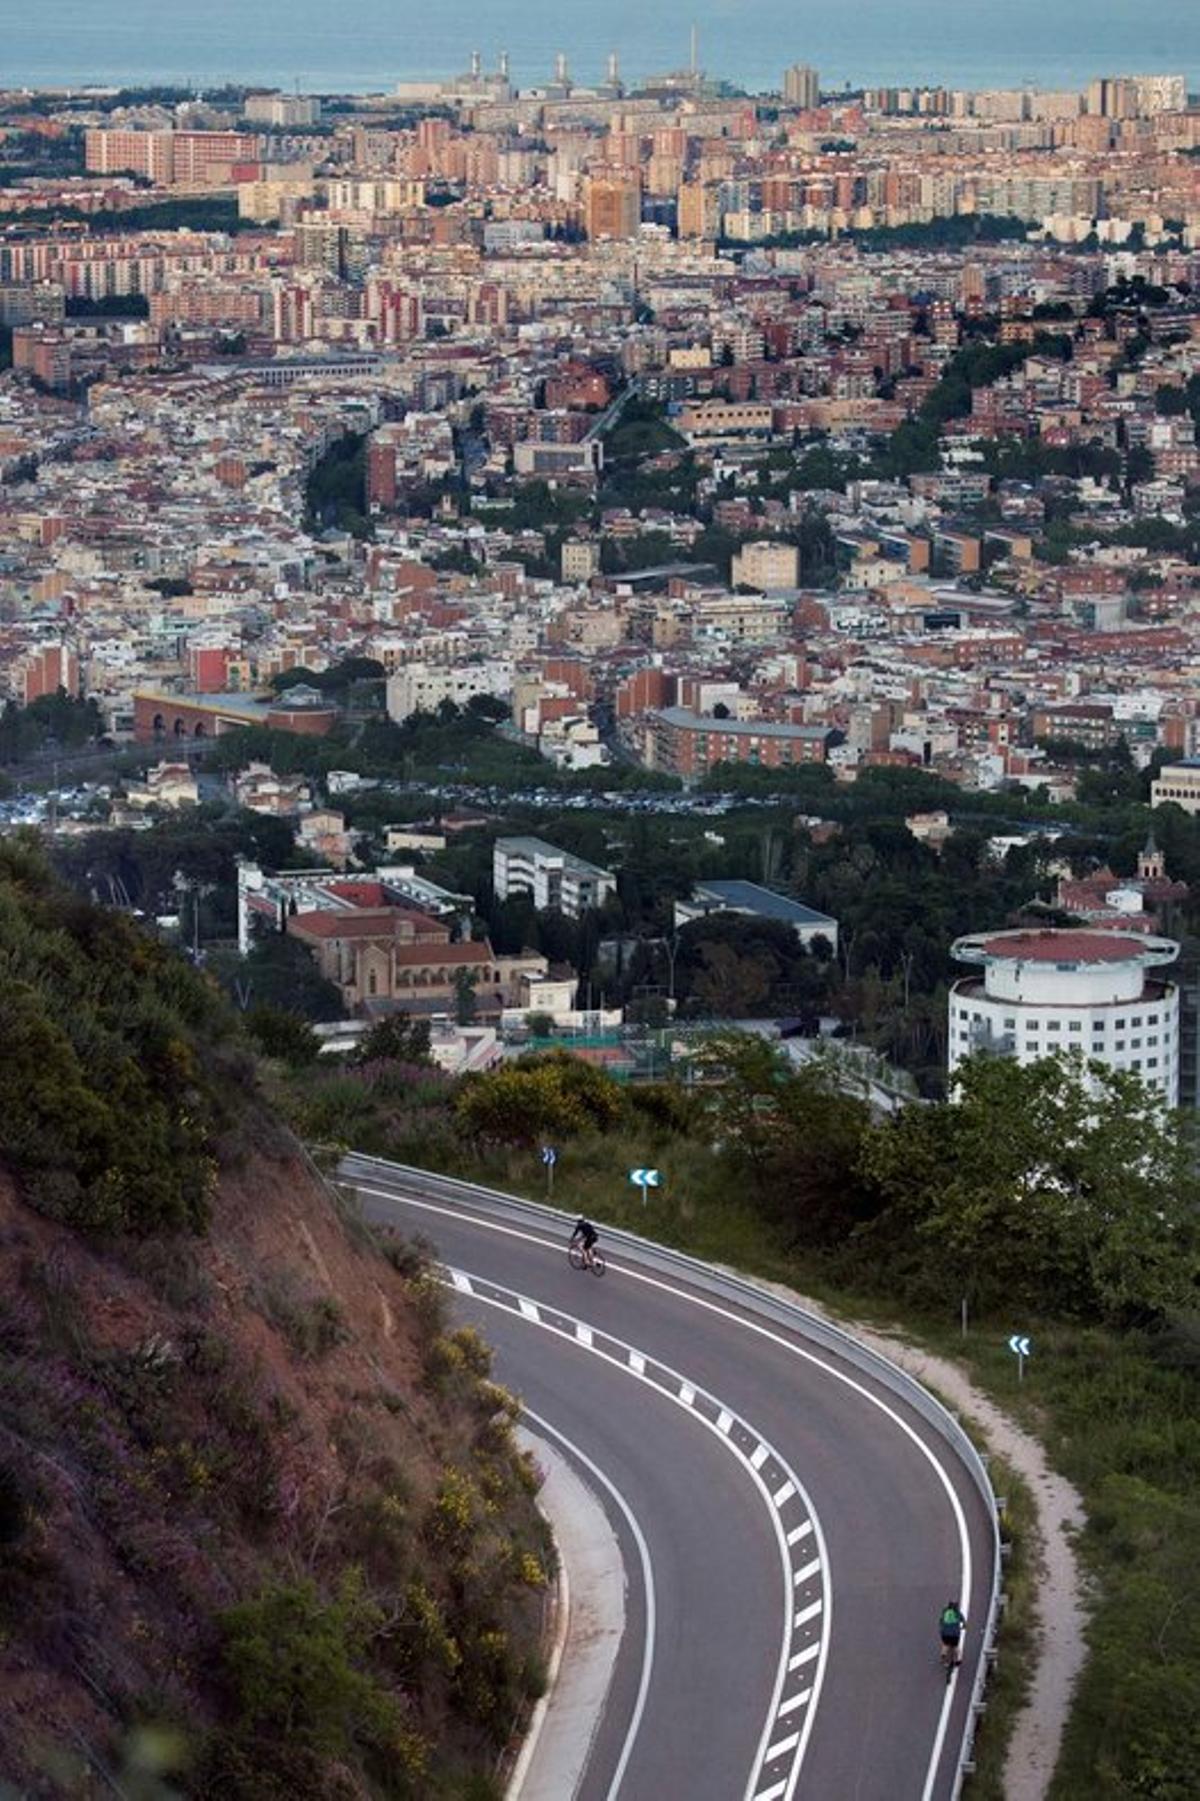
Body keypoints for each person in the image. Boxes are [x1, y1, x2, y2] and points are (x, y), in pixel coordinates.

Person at [938, 1600, 966, 1668]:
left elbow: (940, 1621)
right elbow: (964, 1623)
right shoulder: (958, 1613)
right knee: (955, 1646)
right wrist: (962, 1627)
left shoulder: (945, 1612)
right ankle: (958, 1660)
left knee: (946, 1645)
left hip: (945, 1633)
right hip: (955, 1634)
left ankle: (944, 1658)